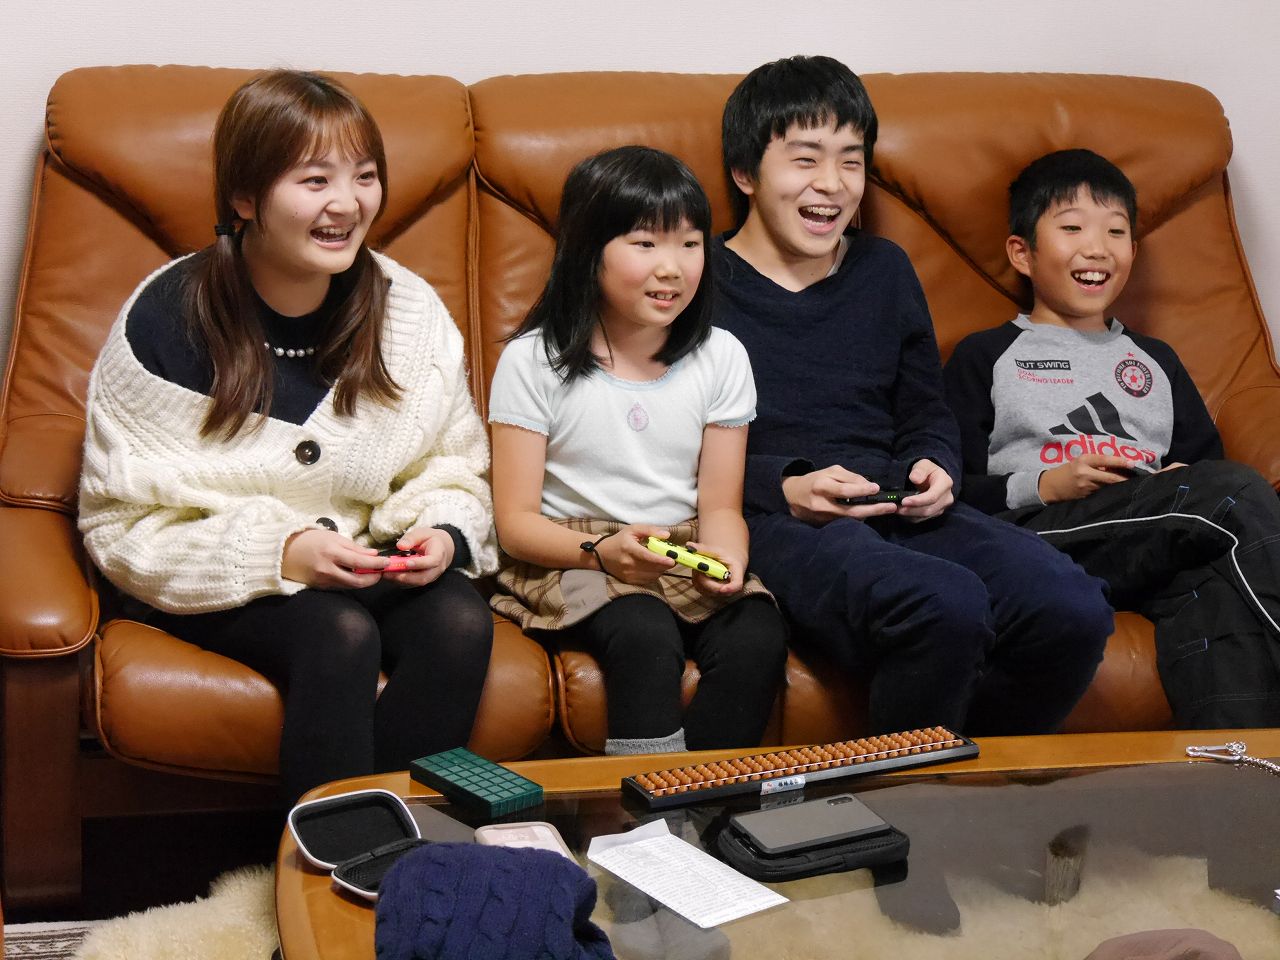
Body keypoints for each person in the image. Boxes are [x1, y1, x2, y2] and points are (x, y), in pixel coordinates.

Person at [78, 70, 498, 803]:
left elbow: (452, 464)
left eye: (365, 175)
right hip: (219, 575)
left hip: (364, 557)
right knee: (338, 634)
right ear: (245, 198)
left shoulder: (408, 314)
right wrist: (282, 551)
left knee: (460, 620)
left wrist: (441, 531)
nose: (348, 203)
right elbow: (122, 523)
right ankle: (325, 859)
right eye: (314, 180)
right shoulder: (165, 319)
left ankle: (409, 845)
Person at [713, 55, 1114, 737]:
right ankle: (906, 795)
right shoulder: (700, 280)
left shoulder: (885, 269)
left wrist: (936, 463)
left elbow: (925, 406)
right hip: (777, 519)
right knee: (944, 604)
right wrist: (783, 486)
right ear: (745, 173)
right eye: (805, 159)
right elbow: (663, 436)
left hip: (897, 501)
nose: (832, 184)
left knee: (1071, 607)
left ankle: (968, 771)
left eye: (851, 161)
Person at [944, 148, 1280, 727]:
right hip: (1040, 533)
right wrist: (1046, 485)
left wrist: (1180, 480)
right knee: (1234, 494)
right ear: (1022, 253)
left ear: (1132, 251)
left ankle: (1234, 768)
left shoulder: (1156, 360)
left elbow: (1205, 469)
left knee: (1215, 588)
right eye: (1072, 228)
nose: (1097, 247)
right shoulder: (986, 355)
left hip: (1149, 533)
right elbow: (947, 486)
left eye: (1116, 232)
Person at [488, 146, 788, 756]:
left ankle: (706, 799)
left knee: (757, 632)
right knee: (643, 630)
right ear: (588, 250)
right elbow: (514, 524)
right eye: (645, 244)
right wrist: (602, 553)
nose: (671, 268)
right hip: (573, 553)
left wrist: (727, 558)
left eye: (690, 243)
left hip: (681, 544)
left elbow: (720, 506)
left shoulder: (722, 356)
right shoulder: (533, 360)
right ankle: (648, 807)